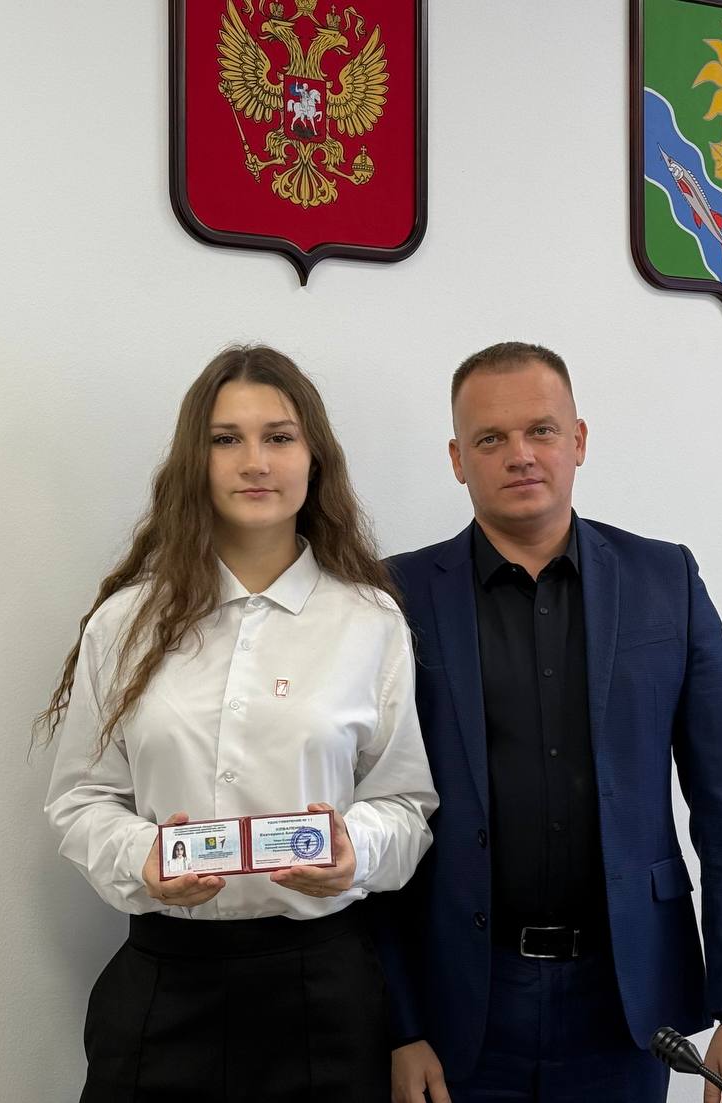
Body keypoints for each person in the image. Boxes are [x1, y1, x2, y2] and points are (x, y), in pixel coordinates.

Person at [377, 342, 722, 1103]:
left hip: (625, 1005)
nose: (520, 454)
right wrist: (398, 1024)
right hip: (457, 1006)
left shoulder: (666, 581)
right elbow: (371, 815)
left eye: (542, 429)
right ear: (457, 459)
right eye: (490, 438)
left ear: (580, 440)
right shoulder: (394, 596)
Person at [39, 345, 438, 1103]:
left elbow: (405, 805)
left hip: (322, 994)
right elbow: (80, 799)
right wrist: (143, 857)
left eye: (279, 437)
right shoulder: (125, 623)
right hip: (164, 984)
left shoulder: (370, 620)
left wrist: (356, 850)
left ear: (315, 458)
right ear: (196, 460)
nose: (255, 461)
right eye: (226, 439)